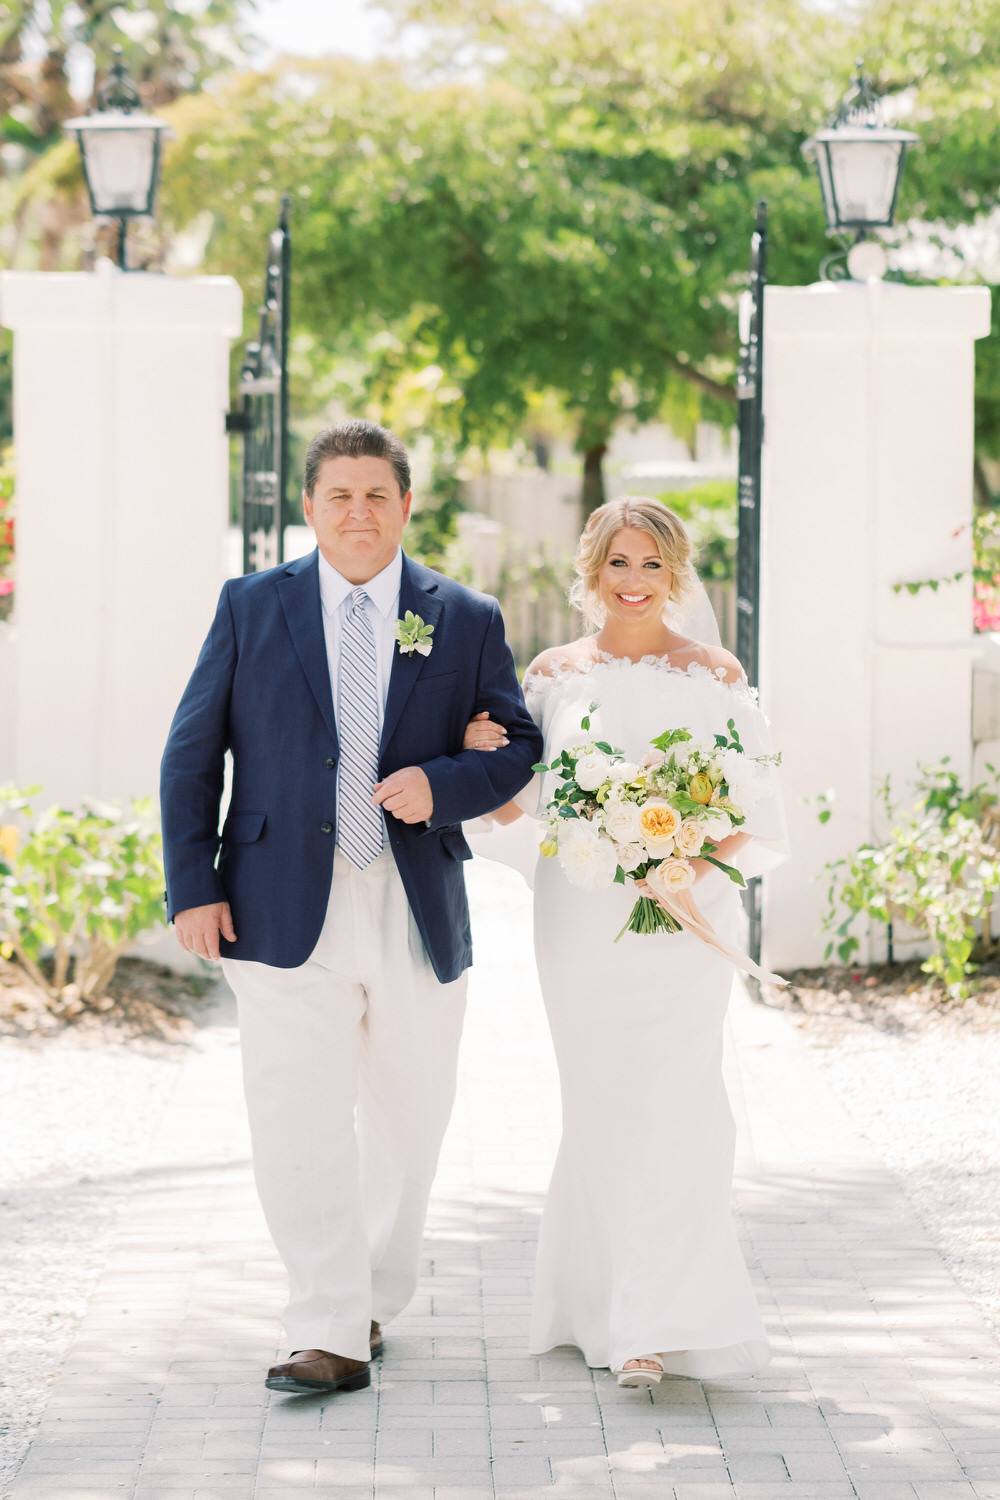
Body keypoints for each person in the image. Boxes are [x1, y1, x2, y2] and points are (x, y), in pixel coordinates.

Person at [160, 419, 542, 1395]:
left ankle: (371, 1296)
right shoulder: (251, 606)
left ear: (406, 505)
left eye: (377, 494)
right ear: (309, 507)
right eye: (340, 495)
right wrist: (192, 887)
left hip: (411, 899)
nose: (359, 513)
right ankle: (323, 1323)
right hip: (278, 903)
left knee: (412, 1117)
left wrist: (441, 782)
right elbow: (192, 755)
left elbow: (518, 745)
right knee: (297, 1116)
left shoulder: (462, 616)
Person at [462, 496, 790, 1387]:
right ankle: (604, 1308)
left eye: (650, 564)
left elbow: (753, 811)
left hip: (685, 923)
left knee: (681, 1104)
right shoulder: (553, 675)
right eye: (618, 563)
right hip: (581, 923)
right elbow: (518, 805)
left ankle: (656, 1317)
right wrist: (475, 752)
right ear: (592, 570)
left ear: (675, 573)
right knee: (602, 1100)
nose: (633, 582)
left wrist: (681, 861)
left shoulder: (715, 677)